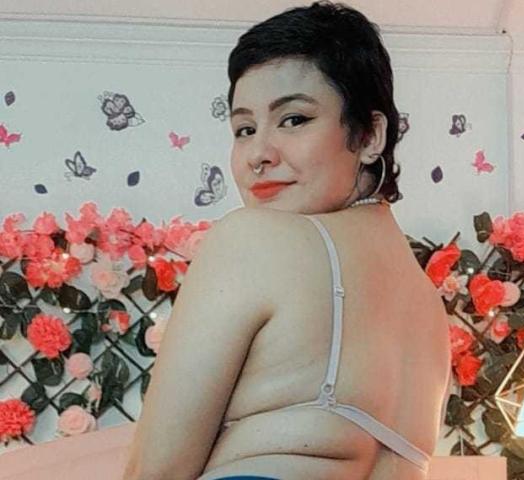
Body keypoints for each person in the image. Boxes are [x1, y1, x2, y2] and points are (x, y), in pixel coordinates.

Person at [123, 2, 451, 479]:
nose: (258, 153)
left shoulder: (253, 239)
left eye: (294, 119)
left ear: (369, 136)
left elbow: (157, 470)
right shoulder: (428, 308)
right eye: (244, 129)